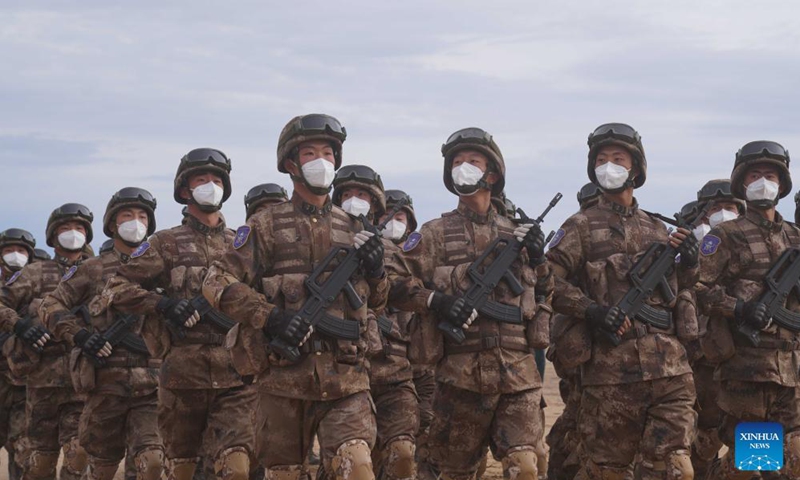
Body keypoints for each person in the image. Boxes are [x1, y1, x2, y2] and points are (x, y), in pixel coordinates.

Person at [202, 114, 389, 480]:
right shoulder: (266, 225)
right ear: (291, 163)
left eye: (328, 153)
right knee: (283, 473)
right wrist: (269, 316)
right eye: (309, 153)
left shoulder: (354, 228)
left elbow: (379, 302)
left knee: (359, 468)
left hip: (345, 378)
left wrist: (378, 270)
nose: (321, 161)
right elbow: (216, 282)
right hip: (283, 379)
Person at [389, 127, 552, 480]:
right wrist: (437, 301)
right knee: (454, 471)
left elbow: (545, 291)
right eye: (457, 162)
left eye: (473, 161)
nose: (464, 167)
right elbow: (394, 285)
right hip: (459, 377)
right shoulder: (432, 234)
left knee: (526, 467)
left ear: (491, 173)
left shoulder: (517, 234)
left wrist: (539, 258)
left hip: (517, 375)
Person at [547, 123, 699, 479]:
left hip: (669, 369)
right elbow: (545, 281)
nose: (609, 166)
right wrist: (593, 310)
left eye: (618, 158)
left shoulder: (657, 229)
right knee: (610, 470)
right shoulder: (580, 226)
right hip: (611, 373)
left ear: (636, 168)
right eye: (602, 160)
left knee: (675, 468)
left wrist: (691, 263)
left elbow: (680, 292)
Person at [102, 149, 256, 480]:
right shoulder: (165, 242)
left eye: (217, 180)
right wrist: (163, 305)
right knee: (182, 469)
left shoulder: (240, 244)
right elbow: (115, 287)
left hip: (236, 375)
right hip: (182, 376)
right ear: (185, 190)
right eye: (202, 180)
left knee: (237, 467)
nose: (211, 186)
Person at [40, 187, 164, 480]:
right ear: (112, 224)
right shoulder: (92, 269)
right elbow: (50, 305)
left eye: (142, 216)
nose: (136, 222)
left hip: (152, 384)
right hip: (104, 384)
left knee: (152, 463)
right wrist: (80, 336)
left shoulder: (161, 266)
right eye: (128, 215)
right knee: (101, 468)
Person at [696, 141, 800, 479]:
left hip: (792, 372)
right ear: (742, 183)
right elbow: (697, 288)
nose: (762, 182)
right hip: (748, 371)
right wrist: (739, 309)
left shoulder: (794, 238)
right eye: (754, 175)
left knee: (793, 463)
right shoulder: (725, 235)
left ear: (782, 184)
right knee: (757, 465)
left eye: (769, 175)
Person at [332, 167, 418, 480]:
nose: (355, 201)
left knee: (402, 455)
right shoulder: (323, 244)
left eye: (363, 195)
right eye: (347, 195)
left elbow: (416, 294)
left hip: (395, 371)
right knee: (350, 462)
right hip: (345, 370)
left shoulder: (406, 255)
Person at [0, 203, 95, 480]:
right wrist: (20, 325)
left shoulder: (99, 272)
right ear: (53, 237)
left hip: (83, 384)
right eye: (65, 229)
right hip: (42, 384)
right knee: (38, 463)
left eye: (79, 229)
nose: (73, 234)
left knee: (79, 454)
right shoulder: (34, 273)